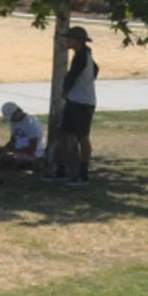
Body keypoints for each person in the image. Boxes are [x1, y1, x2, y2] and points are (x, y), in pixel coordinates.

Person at [48, 26, 99, 185]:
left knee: (82, 137)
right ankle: (62, 170)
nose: (68, 41)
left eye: (70, 39)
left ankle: (83, 173)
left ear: (77, 41)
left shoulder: (82, 56)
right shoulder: (85, 54)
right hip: (75, 100)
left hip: (83, 103)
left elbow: (72, 75)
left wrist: (65, 90)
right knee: (63, 134)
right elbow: (96, 70)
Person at [0, 101, 43, 171]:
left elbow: (32, 148)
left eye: (12, 118)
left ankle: (31, 164)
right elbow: (13, 140)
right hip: (18, 152)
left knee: (7, 161)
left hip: (33, 155)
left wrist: (13, 151)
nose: (11, 120)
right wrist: (4, 151)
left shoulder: (31, 123)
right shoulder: (13, 122)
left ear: (17, 112)